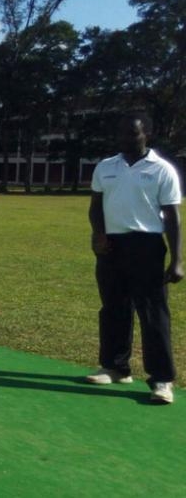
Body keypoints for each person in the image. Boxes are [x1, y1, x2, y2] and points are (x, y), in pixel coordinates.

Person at [86, 112, 182, 404]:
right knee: (113, 307)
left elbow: (172, 217)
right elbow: (96, 207)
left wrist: (177, 259)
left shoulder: (162, 170)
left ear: (147, 135)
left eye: (134, 133)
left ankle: (162, 380)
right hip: (112, 247)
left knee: (153, 313)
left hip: (147, 245)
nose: (127, 138)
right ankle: (115, 367)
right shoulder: (106, 167)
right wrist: (99, 235)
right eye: (123, 133)